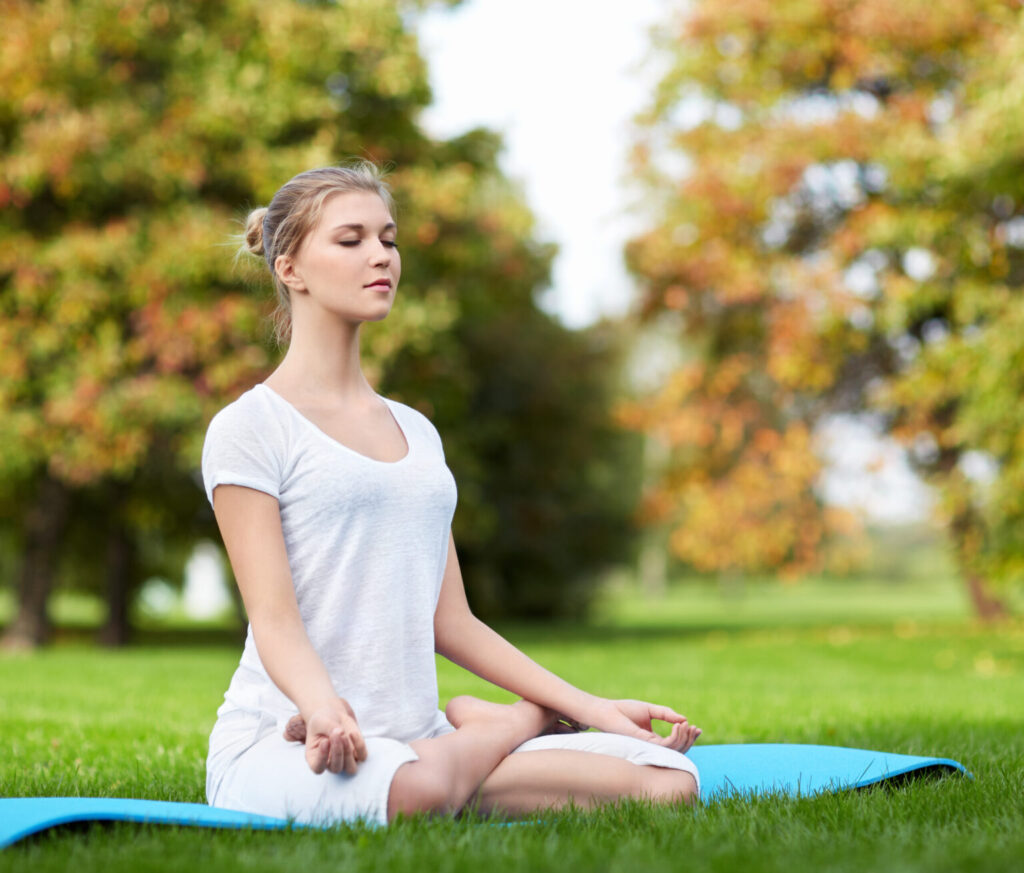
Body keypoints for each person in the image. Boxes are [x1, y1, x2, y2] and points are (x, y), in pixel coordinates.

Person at [201, 163, 701, 827]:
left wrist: (591, 707)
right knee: (416, 794)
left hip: (421, 741)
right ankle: (512, 725)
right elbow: (274, 619)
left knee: (669, 779)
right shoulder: (250, 427)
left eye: (388, 238)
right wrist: (322, 705)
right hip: (289, 740)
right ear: (289, 268)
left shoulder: (417, 432)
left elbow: (452, 622)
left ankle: (466, 751)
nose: (380, 255)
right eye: (351, 240)